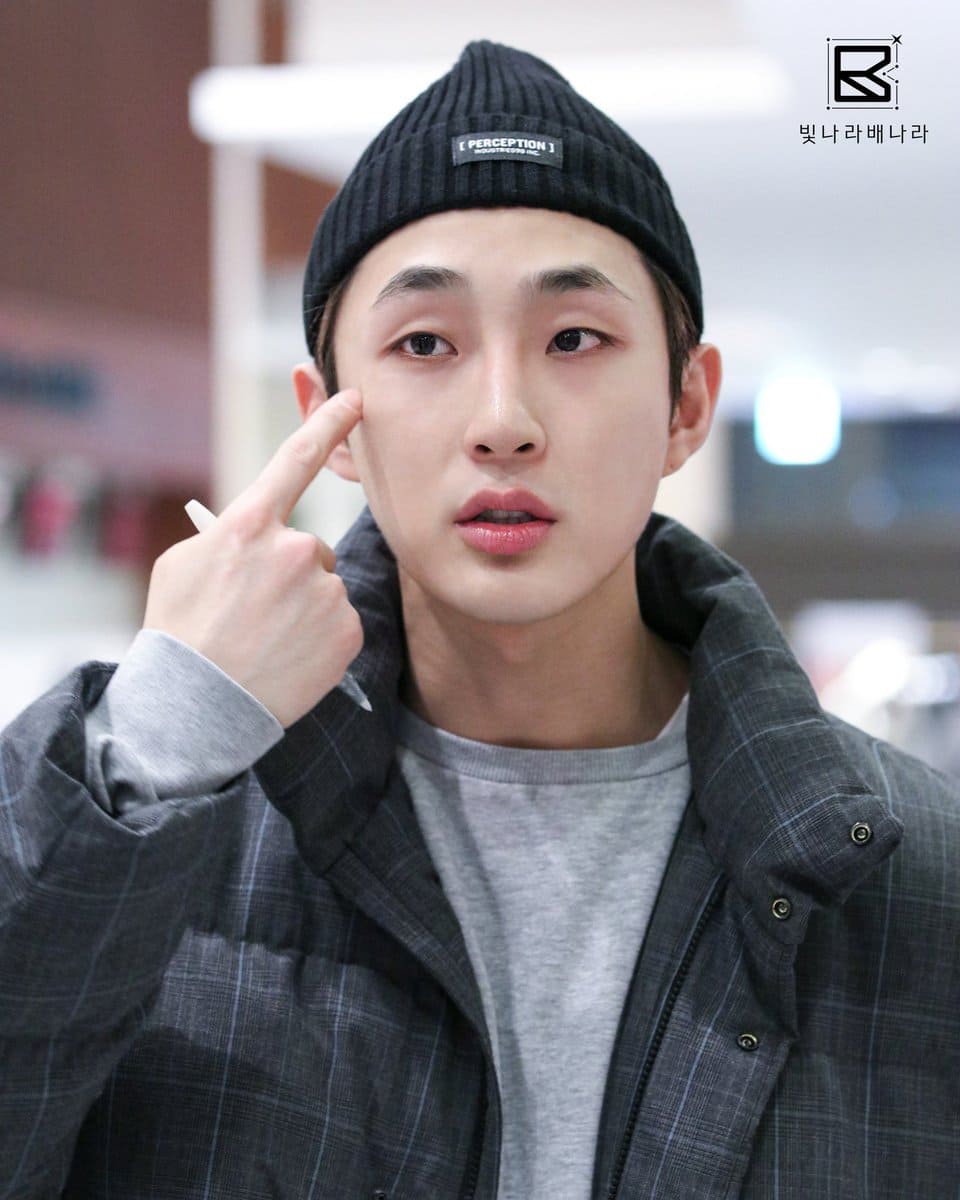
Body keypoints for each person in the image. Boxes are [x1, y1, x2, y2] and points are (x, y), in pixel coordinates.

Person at [0, 40, 957, 1200]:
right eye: (424, 344)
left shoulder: (910, 869)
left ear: (685, 402)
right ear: (329, 418)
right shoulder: (175, 810)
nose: (503, 419)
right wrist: (155, 739)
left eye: (575, 339)